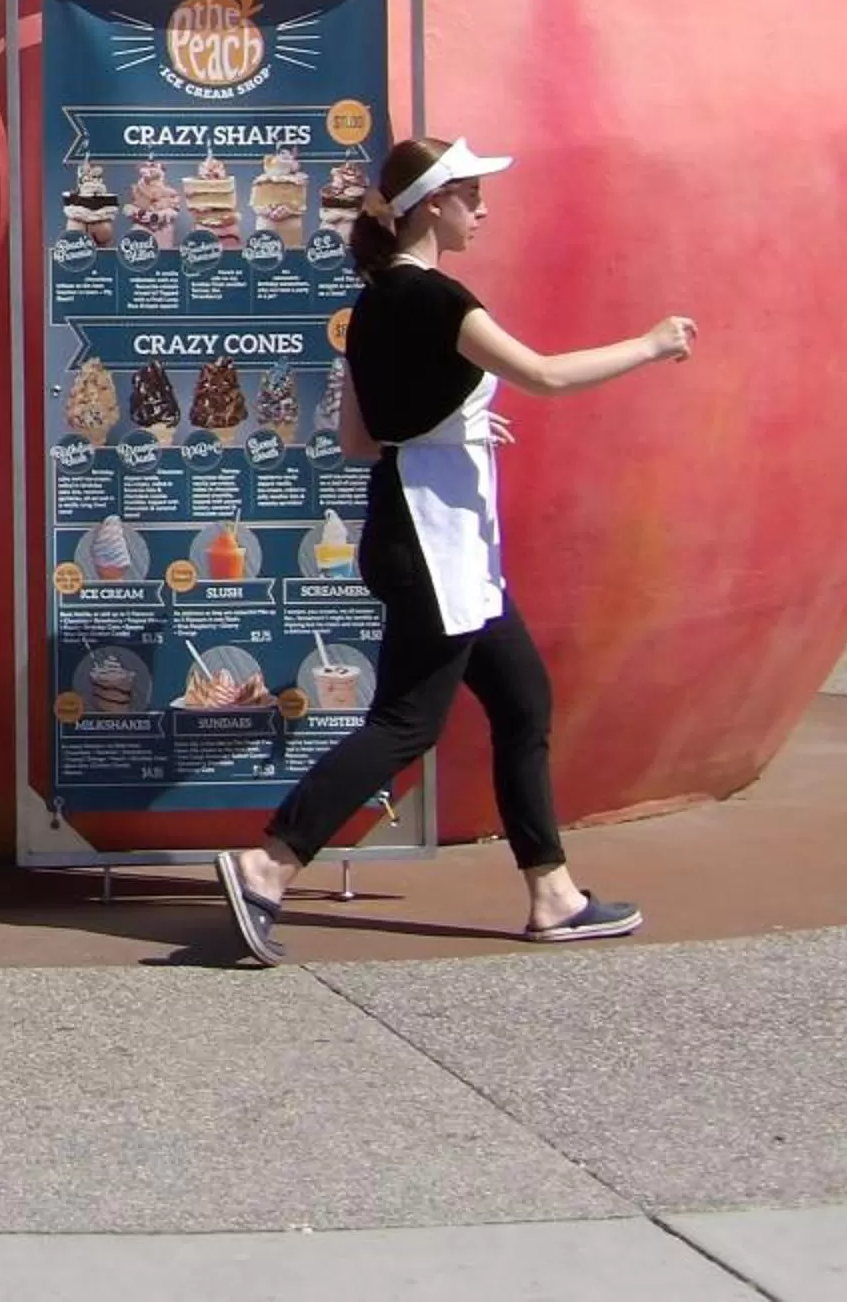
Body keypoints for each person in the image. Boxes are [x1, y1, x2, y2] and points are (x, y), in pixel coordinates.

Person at [214, 136, 695, 965]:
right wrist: (650, 345)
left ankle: (554, 894)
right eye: (471, 196)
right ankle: (268, 864)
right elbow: (543, 375)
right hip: (435, 544)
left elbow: (365, 442)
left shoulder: (371, 304)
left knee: (522, 704)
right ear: (432, 204)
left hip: (426, 533)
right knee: (406, 723)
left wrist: (459, 426)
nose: (483, 210)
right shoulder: (435, 298)